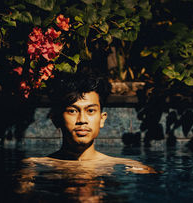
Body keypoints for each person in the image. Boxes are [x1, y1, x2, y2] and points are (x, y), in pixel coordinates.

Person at [22, 72, 157, 173]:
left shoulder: (131, 167)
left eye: (91, 110)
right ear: (56, 119)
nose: (82, 120)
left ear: (102, 119)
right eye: (72, 111)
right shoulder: (34, 167)